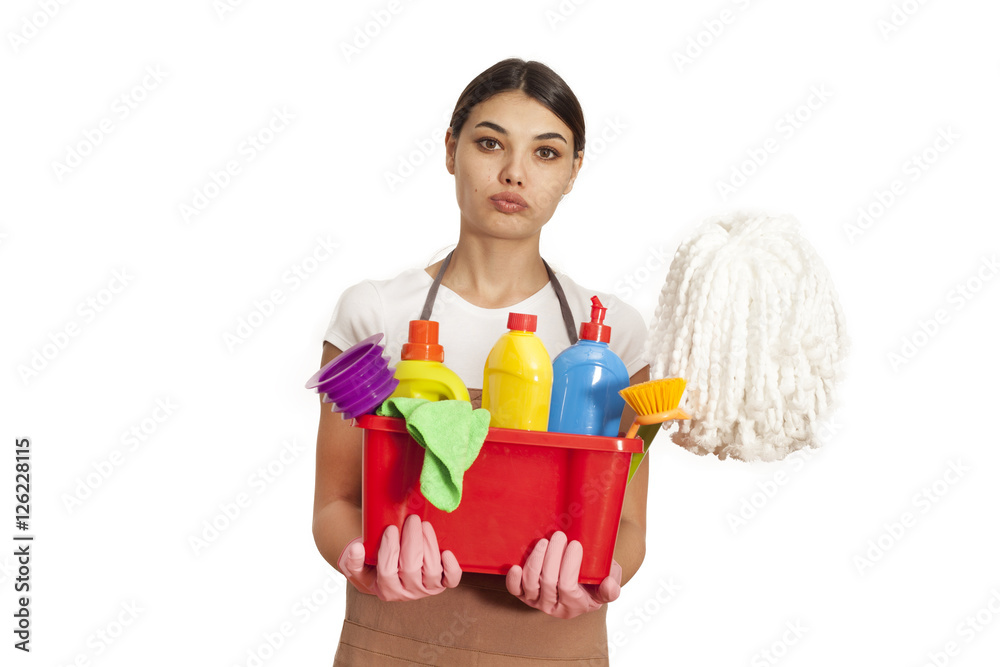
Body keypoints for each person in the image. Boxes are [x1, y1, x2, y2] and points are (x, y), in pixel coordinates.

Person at [312, 58, 650, 666]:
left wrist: (596, 576)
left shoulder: (615, 334)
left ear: (574, 172)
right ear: (451, 149)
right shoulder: (376, 313)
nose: (514, 172)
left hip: (553, 647)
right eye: (490, 143)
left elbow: (626, 525)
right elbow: (334, 503)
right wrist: (364, 563)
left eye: (546, 153)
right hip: (394, 639)